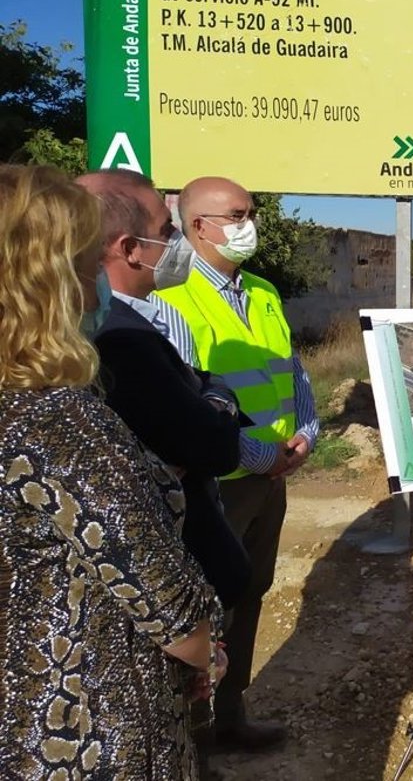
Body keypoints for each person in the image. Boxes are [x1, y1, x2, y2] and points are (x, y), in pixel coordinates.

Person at [0, 164, 225, 779]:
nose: (95, 285)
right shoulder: (58, 418)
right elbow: (167, 602)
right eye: (83, 265)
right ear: (45, 281)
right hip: (93, 724)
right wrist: (208, 652)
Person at [157, 175, 320, 751]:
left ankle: (229, 715)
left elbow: (292, 372)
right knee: (203, 601)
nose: (250, 225)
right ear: (199, 226)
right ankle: (189, 732)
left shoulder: (263, 291)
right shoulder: (169, 297)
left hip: (272, 477)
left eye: (250, 213)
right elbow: (188, 399)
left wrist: (306, 434)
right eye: (238, 215)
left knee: (250, 591)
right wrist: (258, 456)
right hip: (216, 484)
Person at [79, 168, 251, 609]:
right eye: (166, 229)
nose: (177, 240)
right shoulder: (121, 338)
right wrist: (218, 395)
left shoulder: (115, 322)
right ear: (130, 249)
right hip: (176, 586)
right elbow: (213, 448)